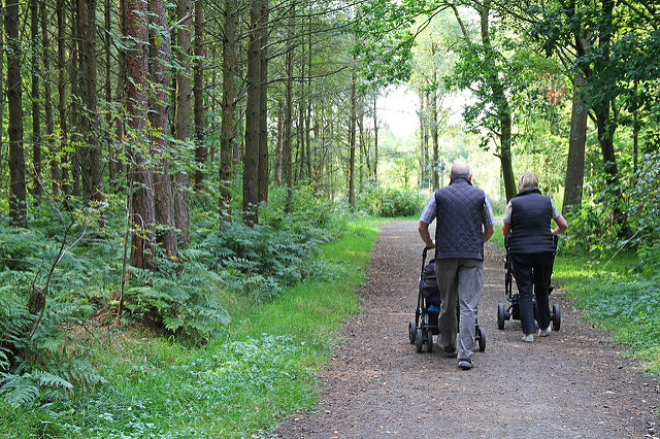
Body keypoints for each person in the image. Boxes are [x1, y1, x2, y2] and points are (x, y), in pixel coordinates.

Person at [418, 162, 495, 370]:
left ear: (450, 177)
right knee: (469, 305)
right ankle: (465, 355)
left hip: (445, 256)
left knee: (447, 300)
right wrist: (477, 241)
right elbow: (490, 228)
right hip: (472, 257)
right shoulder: (481, 195)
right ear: (471, 177)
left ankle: (449, 344)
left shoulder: (438, 195)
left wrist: (430, 244)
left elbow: (422, 225)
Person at [501, 172, 568, 343]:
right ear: (537, 184)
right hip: (544, 250)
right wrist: (552, 232)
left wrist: (515, 234)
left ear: (520, 185)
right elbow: (563, 225)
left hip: (521, 251)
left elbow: (504, 230)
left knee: (524, 290)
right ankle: (544, 326)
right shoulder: (547, 201)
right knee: (541, 288)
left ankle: (529, 333)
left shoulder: (514, 203)